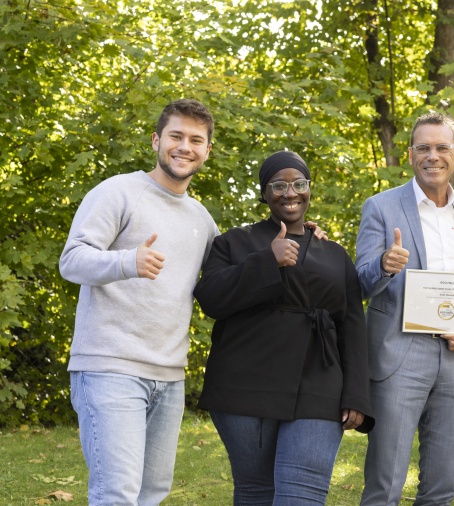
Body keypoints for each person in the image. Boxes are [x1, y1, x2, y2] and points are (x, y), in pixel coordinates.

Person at [59, 99, 218, 504]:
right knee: (118, 495)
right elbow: (71, 260)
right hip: (110, 367)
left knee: (151, 495)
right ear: (156, 140)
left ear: (207, 150)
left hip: (169, 376)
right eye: (176, 136)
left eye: (195, 140)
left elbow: (236, 271)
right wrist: (128, 261)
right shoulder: (119, 192)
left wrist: (302, 235)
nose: (185, 147)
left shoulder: (202, 219)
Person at [193, 150, 374, 505]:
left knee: (302, 495)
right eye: (278, 185)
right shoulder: (233, 242)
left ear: (309, 189)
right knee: (255, 491)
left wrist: (356, 394)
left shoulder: (334, 252)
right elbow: (210, 298)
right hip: (245, 383)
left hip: (320, 384)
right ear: (264, 192)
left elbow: (352, 324)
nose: (290, 193)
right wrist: (267, 261)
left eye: (299, 184)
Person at [356, 112, 454, 505]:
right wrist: (384, 265)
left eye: (442, 147)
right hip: (399, 354)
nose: (433, 156)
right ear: (411, 154)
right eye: (424, 148)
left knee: (443, 484)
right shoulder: (381, 207)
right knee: (386, 482)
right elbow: (360, 282)